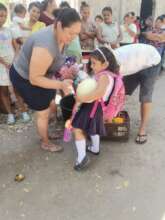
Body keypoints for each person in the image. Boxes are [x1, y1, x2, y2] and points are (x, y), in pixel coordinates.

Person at [9, 8, 81, 152]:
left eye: (76, 34)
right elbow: (35, 79)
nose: (73, 37)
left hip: (43, 75)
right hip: (25, 78)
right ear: (59, 25)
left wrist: (66, 69)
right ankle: (45, 142)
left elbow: (55, 60)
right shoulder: (45, 44)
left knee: (48, 101)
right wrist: (60, 83)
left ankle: (46, 132)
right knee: (43, 111)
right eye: (71, 33)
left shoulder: (61, 35)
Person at [72, 47, 119, 170]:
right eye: (91, 62)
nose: (91, 66)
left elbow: (98, 93)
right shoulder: (109, 74)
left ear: (105, 64)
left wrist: (81, 99)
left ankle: (81, 159)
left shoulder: (103, 76)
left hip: (92, 106)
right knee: (93, 128)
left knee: (77, 129)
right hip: (97, 107)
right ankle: (95, 148)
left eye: (94, 63)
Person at [113, 43, 161, 144]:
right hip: (136, 62)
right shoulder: (111, 61)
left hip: (151, 61)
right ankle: (115, 116)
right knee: (122, 91)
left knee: (145, 97)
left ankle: (142, 129)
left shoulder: (120, 67)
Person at [0, 3, 16, 124]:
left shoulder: (8, 30)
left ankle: (23, 109)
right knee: (4, 90)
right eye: (1, 15)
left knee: (16, 88)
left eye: (5, 16)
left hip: (12, 64)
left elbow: (14, 45)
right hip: (1, 66)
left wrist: (15, 59)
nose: (3, 18)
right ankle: (10, 114)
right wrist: (4, 63)